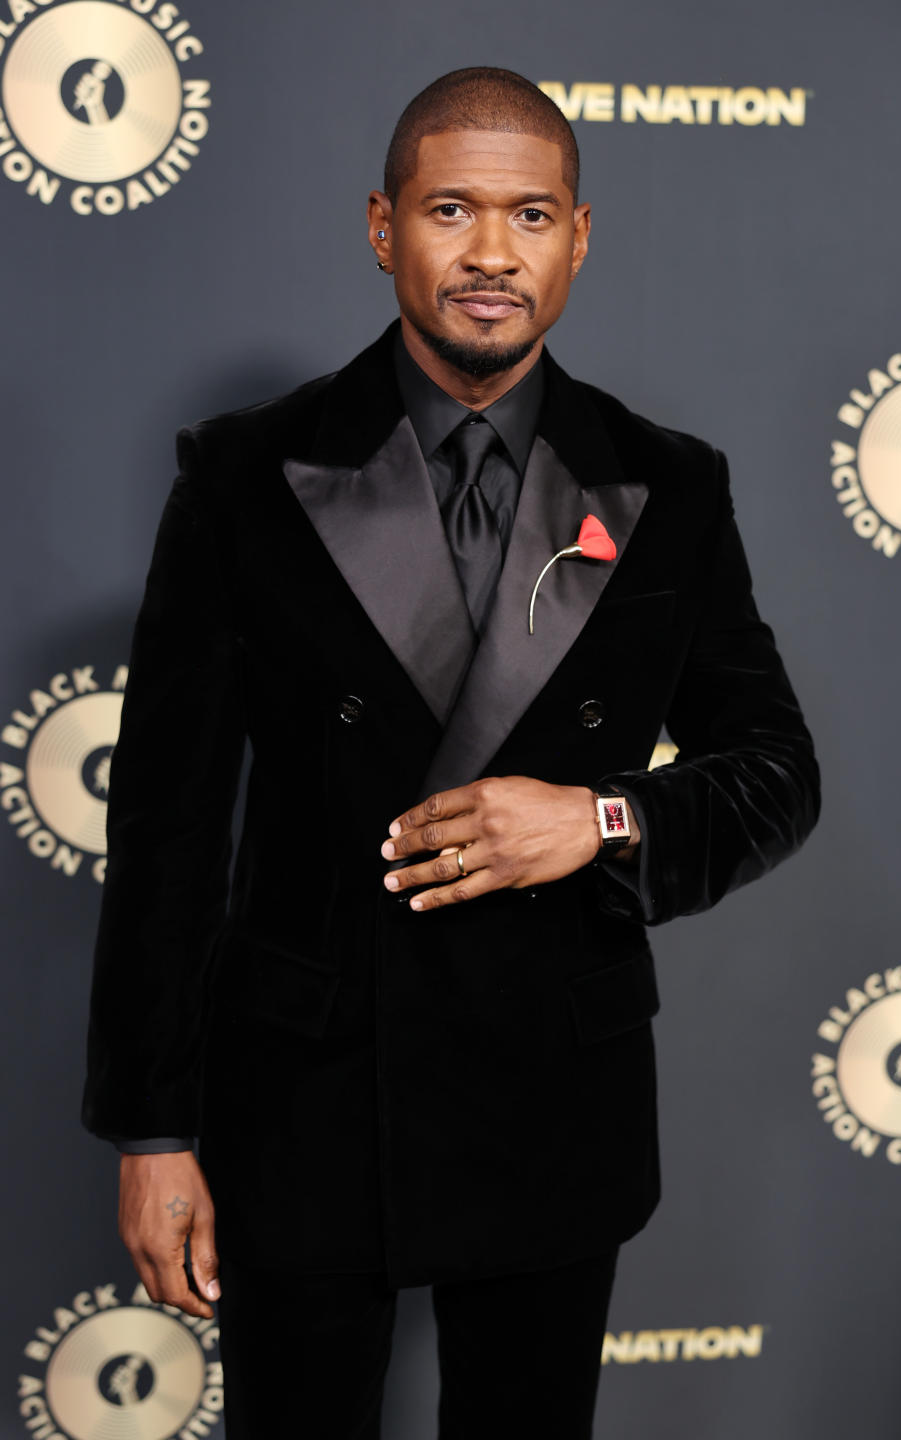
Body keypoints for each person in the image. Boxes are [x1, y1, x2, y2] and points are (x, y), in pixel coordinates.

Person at [83, 67, 819, 1440]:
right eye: (453, 210)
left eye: (531, 213)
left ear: (579, 236)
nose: (492, 253)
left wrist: (599, 821)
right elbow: (169, 826)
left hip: (554, 1092)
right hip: (301, 1096)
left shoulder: (671, 483)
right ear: (383, 227)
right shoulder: (246, 475)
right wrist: (152, 1133)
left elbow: (776, 769)